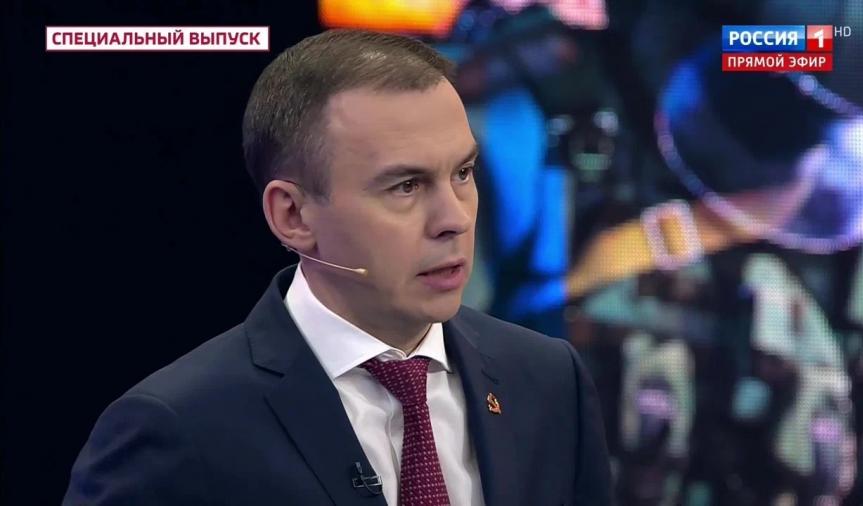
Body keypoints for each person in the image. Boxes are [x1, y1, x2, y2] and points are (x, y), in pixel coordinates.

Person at [63, 29, 613, 506]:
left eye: (462, 173)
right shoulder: (177, 429)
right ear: (293, 215)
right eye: (406, 186)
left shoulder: (549, 380)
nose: (455, 218)